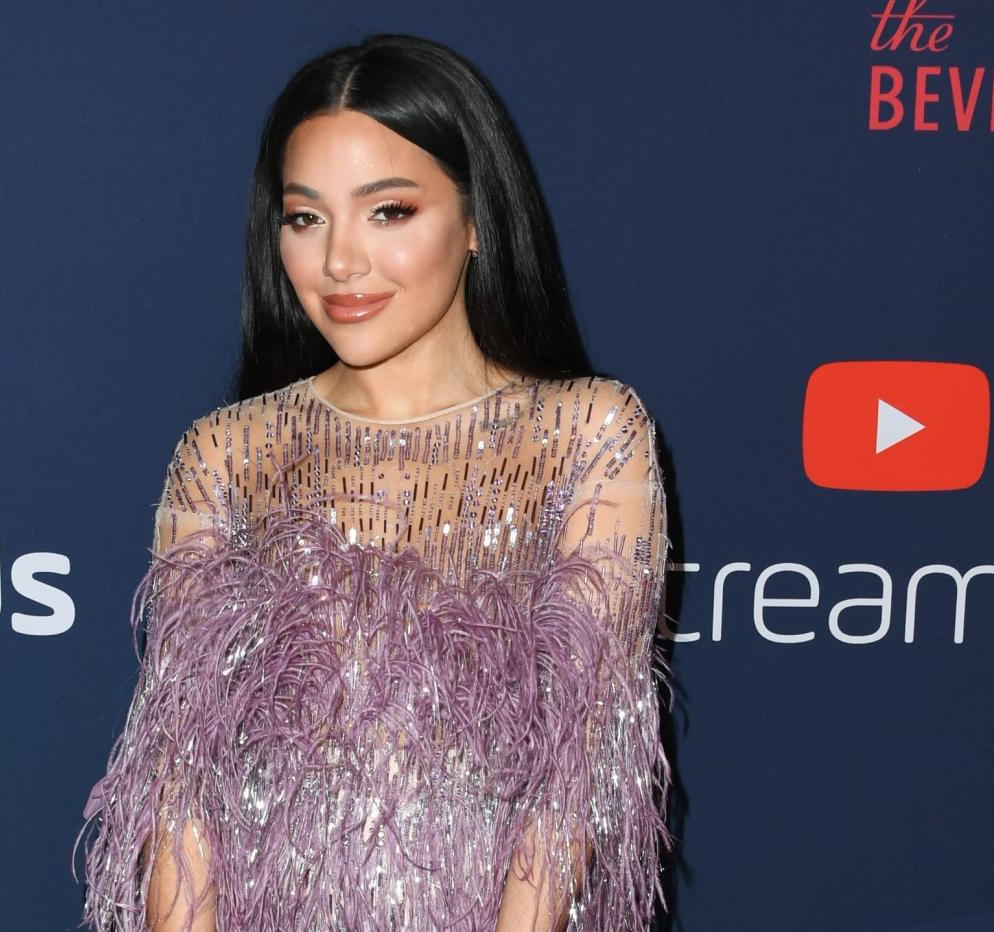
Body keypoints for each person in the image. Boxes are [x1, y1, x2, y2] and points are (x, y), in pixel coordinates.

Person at [76, 33, 672, 932]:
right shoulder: (226, 454)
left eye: (389, 211)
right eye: (305, 217)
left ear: (475, 221)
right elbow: (183, 791)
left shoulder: (589, 432)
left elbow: (576, 774)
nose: (340, 263)